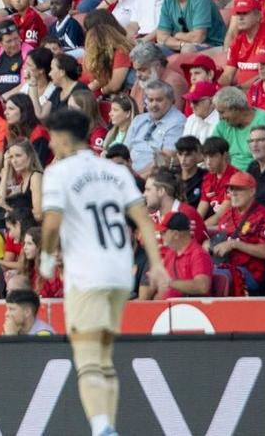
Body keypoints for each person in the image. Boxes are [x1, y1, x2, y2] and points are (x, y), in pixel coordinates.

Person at [39, 107, 169, 436]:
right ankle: (107, 424)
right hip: (119, 272)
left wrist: (45, 257)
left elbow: (51, 221)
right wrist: (156, 263)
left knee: (86, 358)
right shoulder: (115, 172)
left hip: (86, 274)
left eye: (53, 137)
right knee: (105, 356)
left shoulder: (59, 173)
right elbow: (142, 220)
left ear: (64, 138)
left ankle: (100, 427)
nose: (51, 145)